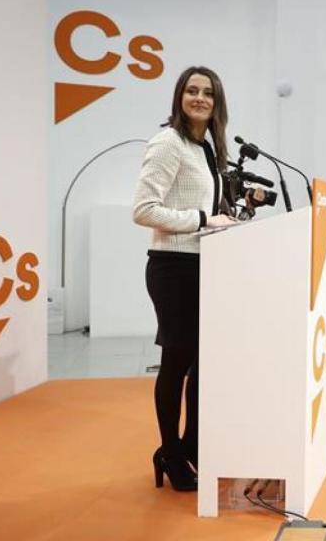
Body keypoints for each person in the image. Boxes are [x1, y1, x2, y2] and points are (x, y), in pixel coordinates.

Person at [133, 66, 238, 492]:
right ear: (179, 96)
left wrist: (224, 220)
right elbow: (143, 210)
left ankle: (194, 445)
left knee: (202, 364)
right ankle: (170, 453)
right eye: (191, 91)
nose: (199, 98)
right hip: (172, 268)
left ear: (217, 103)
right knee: (176, 363)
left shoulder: (207, 149)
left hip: (204, 266)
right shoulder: (168, 143)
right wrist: (202, 220)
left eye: (207, 92)